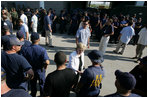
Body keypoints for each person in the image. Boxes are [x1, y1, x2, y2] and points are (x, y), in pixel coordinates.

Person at [22, 32, 50, 97]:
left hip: (31, 70)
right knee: (42, 84)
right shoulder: (42, 50)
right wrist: (45, 66)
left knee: (33, 85)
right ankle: (42, 95)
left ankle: (33, 95)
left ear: (31, 39)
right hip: (40, 70)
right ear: (39, 39)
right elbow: (47, 61)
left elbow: (24, 60)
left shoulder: (26, 49)